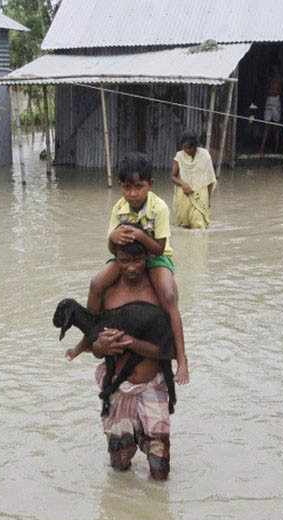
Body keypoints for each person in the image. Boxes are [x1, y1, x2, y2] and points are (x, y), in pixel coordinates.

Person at [66, 152, 189, 385]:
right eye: (127, 187)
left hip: (154, 256)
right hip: (125, 256)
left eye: (139, 187)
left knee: (168, 295)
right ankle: (88, 337)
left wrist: (141, 236)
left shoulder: (159, 207)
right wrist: (113, 237)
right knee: (96, 283)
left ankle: (182, 359)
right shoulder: (119, 208)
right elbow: (112, 247)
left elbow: (160, 248)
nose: (133, 193)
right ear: (121, 186)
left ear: (150, 185)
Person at [91, 238, 174, 479]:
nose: (130, 268)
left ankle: (158, 512)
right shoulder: (106, 292)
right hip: (117, 387)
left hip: (153, 385)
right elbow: (93, 345)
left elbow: (169, 351)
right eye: (123, 261)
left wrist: (133, 343)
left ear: (148, 258)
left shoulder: (161, 290)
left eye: (137, 260)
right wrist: (100, 346)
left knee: (160, 466)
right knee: (119, 463)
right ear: (114, 259)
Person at [171, 131, 216, 229]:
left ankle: (200, 244)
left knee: (198, 224)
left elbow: (210, 179)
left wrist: (208, 199)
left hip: (200, 195)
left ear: (195, 146)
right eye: (184, 147)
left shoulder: (205, 155)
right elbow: (173, 177)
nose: (186, 150)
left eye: (189, 148)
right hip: (184, 195)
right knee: (184, 225)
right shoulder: (179, 156)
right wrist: (183, 184)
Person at [259, 65, 283, 156]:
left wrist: (277, 92)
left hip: (276, 101)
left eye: (276, 68)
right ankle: (261, 148)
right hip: (269, 101)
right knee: (267, 126)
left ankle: (277, 149)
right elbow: (264, 90)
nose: (275, 69)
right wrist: (270, 91)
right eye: (274, 68)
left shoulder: (281, 79)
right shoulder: (269, 79)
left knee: (276, 126)